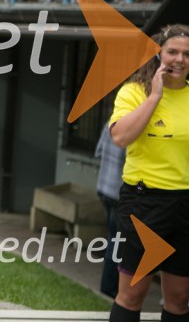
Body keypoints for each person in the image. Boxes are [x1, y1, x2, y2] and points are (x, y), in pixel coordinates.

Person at [108, 24, 189, 322]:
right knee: (132, 296)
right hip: (145, 202)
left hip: (185, 203)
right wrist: (155, 97)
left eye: (187, 54)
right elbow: (121, 137)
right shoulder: (134, 92)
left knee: (179, 300)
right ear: (159, 55)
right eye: (172, 52)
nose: (180, 59)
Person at [95, 123, 126, 298]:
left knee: (112, 238)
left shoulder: (109, 123)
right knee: (117, 241)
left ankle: (109, 284)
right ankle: (109, 286)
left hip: (103, 188)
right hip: (118, 192)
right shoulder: (131, 127)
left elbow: (98, 152)